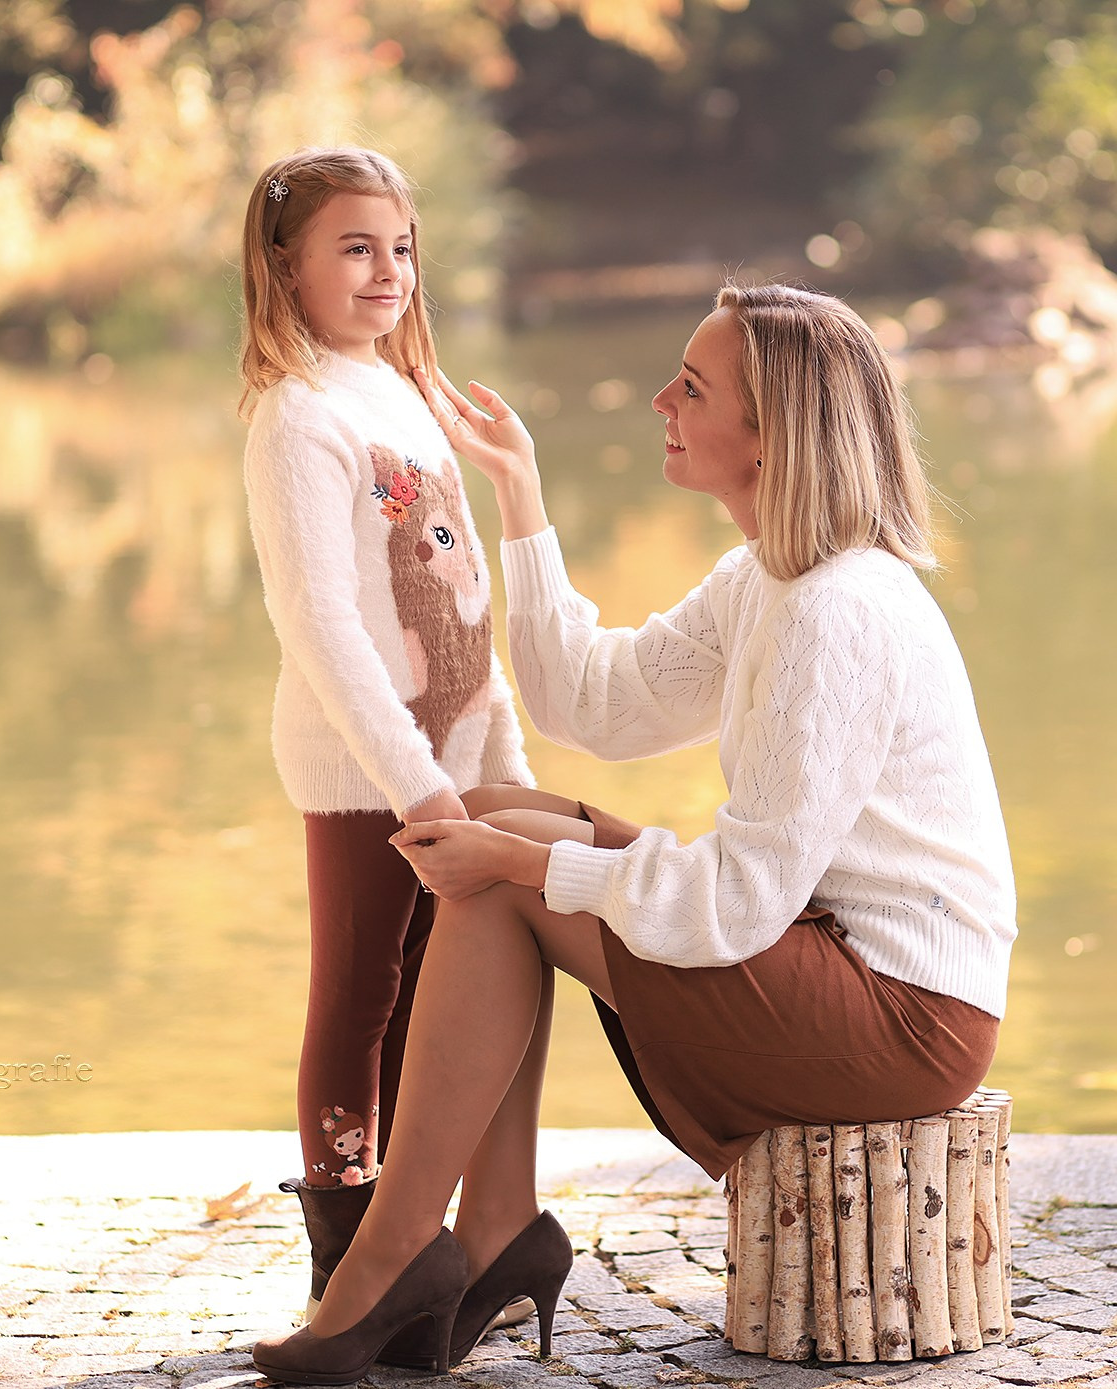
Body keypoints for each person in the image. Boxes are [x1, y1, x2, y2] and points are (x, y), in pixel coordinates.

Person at [248, 281, 1017, 1383]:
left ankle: (386, 1264)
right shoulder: (764, 578)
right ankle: (495, 1223)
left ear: (768, 436)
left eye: (692, 387)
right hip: (815, 953)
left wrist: (526, 866)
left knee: (506, 865)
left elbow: (741, 896)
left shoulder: (838, 612)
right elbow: (589, 704)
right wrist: (518, 496)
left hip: (898, 1018)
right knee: (496, 816)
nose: (661, 398)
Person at [236, 146, 533, 1314]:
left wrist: (496, 764)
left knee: (434, 1004)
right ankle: (347, 1260)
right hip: (372, 771)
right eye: (353, 249)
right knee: (360, 995)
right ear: (285, 267)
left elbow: (462, 602)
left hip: (455, 761)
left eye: (399, 248)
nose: (386, 272)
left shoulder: (400, 391)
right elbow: (318, 622)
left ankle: (423, 1246)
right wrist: (417, 786)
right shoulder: (296, 413)